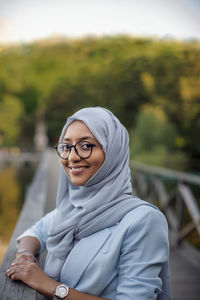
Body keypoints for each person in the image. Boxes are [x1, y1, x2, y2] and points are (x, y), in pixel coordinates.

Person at [7, 107, 172, 300]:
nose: (72, 156)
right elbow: (35, 232)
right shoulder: (73, 208)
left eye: (86, 145)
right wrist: (24, 256)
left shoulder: (143, 221)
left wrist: (52, 287)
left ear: (113, 152)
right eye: (66, 146)